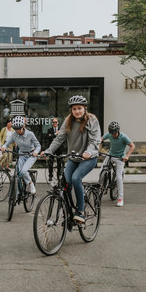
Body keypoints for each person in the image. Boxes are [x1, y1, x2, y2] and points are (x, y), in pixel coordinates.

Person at [42, 95, 101, 224]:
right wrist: (49, 151)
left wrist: (89, 152)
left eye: (79, 108)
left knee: (75, 178)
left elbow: (95, 140)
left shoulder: (92, 120)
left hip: (88, 158)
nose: (77, 111)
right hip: (73, 158)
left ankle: (81, 212)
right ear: (71, 110)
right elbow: (59, 138)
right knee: (65, 183)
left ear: (85, 108)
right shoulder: (68, 120)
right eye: (74, 109)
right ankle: (69, 213)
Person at [1, 115, 40, 194]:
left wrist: (36, 152)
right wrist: (4, 147)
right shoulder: (14, 134)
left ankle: (31, 184)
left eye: (19, 128)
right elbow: (7, 142)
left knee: (23, 171)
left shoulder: (30, 134)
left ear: (23, 126)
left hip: (31, 155)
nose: (17, 130)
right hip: (21, 155)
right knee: (17, 174)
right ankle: (17, 193)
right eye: (15, 128)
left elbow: (38, 145)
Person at [101, 121, 135, 207]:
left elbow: (132, 146)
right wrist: (97, 143)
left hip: (120, 158)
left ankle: (120, 198)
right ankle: (102, 186)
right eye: (111, 133)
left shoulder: (123, 137)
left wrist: (127, 156)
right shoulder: (109, 134)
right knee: (102, 169)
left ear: (118, 131)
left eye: (114, 133)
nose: (113, 135)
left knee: (119, 178)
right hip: (110, 155)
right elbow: (101, 139)